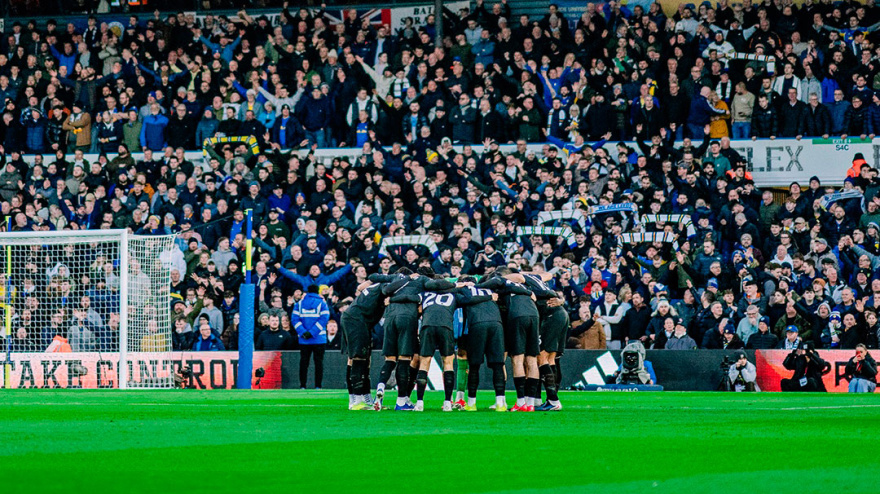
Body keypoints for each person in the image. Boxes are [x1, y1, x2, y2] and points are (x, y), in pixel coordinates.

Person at [291, 285, 331, 389]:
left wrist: (304, 332)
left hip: (304, 339)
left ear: (307, 291)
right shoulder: (322, 303)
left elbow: (294, 319)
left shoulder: (299, 304)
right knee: (319, 363)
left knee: (304, 363)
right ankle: (318, 386)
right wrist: (313, 332)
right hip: (319, 339)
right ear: (317, 291)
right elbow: (324, 318)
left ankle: (302, 386)